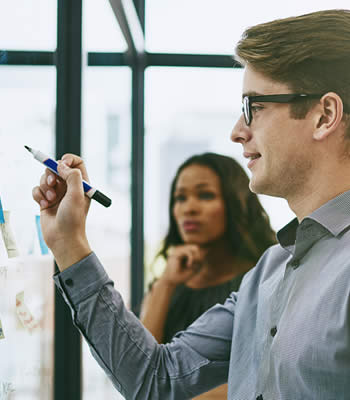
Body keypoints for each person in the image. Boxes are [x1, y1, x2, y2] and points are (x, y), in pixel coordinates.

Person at [32, 9, 350, 400]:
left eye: (255, 106)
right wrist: (68, 243)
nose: (237, 131)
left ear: (324, 115)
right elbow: (156, 379)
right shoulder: (269, 273)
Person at [140, 153, 276, 399]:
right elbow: (139, 370)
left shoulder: (264, 278)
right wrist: (165, 285)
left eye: (205, 195)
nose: (189, 208)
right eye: (180, 198)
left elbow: (268, 376)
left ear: (235, 202)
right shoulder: (167, 285)